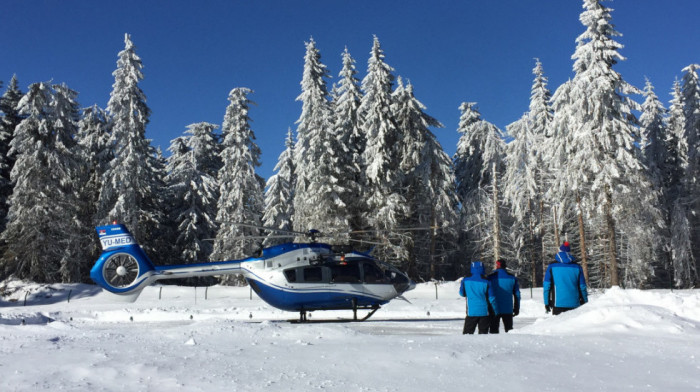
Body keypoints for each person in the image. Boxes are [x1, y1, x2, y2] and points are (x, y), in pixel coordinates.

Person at [543, 241, 588, 315]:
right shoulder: (577, 267)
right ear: (569, 253)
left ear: (559, 252)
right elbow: (582, 287)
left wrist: (547, 303)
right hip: (575, 304)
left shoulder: (552, 266)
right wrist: (585, 302)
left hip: (558, 304)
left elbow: (546, 286)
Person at [459, 261, 498, 334]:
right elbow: (492, 298)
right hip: (484, 312)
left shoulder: (465, 280)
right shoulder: (487, 281)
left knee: (467, 335)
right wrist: (495, 311)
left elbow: (461, 293)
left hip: (471, 312)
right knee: (483, 335)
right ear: (483, 268)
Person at [487, 259, 521, 333]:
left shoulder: (490, 277)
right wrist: (517, 307)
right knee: (509, 330)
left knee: (493, 331)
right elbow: (517, 294)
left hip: (494, 309)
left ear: (497, 265)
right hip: (508, 309)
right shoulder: (512, 278)